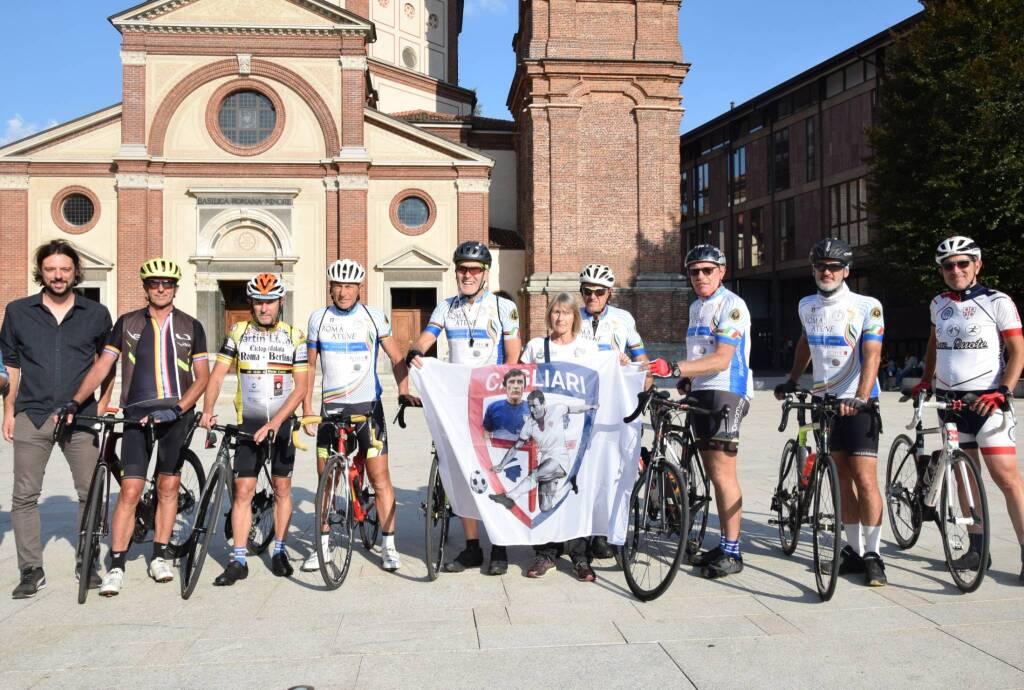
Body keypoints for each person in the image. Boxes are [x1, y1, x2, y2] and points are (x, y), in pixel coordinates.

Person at [58, 258, 209, 596]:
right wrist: (75, 399)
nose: (160, 288)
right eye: (154, 283)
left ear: (175, 288)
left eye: (167, 283)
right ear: (145, 288)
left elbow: (202, 378)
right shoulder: (126, 323)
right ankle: (117, 564)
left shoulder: (191, 325)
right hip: (136, 414)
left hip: (175, 414)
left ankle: (159, 555)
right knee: (130, 490)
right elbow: (103, 366)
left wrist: (180, 409)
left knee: (168, 486)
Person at [0, 240, 113, 599]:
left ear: (75, 272)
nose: (58, 275)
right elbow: (12, 366)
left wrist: (102, 407)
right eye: (51, 269)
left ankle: (88, 560)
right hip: (32, 414)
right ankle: (31, 569)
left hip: (80, 418)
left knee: (90, 492)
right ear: (41, 272)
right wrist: (8, 412)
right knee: (24, 496)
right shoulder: (17, 312)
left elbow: (106, 365)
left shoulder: (96, 314)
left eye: (65, 269)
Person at [775, 238, 887, 587]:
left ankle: (873, 553)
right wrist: (793, 379)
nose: (827, 271)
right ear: (813, 270)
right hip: (825, 402)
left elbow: (872, 354)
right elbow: (806, 341)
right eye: (822, 266)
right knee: (841, 478)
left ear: (846, 271)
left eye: (834, 266)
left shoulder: (867, 305)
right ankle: (852, 549)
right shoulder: (806, 304)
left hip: (858, 402)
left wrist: (862, 396)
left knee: (865, 478)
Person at [913, 236, 1024, 581]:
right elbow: (934, 343)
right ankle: (977, 549)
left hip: (987, 400)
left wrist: (1004, 390)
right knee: (963, 476)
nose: (955, 270)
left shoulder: (997, 301)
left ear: (977, 265)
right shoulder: (938, 303)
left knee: (1006, 477)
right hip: (949, 402)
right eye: (948, 265)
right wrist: (925, 378)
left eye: (963, 263)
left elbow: (1017, 350)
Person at [408, 241, 522, 575]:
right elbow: (426, 339)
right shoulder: (446, 307)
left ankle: (499, 544)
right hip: (457, 403)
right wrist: (414, 351)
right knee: (462, 474)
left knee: (497, 475)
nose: (467, 275)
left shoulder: (503, 308)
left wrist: (506, 390)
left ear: (485, 274)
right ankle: (472, 547)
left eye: (474, 269)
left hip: (492, 403)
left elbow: (513, 354)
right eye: (462, 269)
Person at [301, 259, 412, 573]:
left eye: (349, 286)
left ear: (359, 287)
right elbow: (310, 366)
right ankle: (320, 546)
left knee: (380, 480)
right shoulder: (318, 318)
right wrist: (307, 407)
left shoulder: (374, 317)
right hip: (331, 412)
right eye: (337, 285)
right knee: (327, 481)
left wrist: (404, 390)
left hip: (368, 411)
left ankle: (389, 546)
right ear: (331, 287)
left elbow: (396, 356)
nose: (343, 291)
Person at [199, 273, 308, 585]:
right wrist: (208, 409)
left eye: (270, 301)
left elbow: (300, 388)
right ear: (251, 303)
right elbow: (218, 375)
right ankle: (238, 559)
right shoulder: (238, 333)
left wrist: (275, 423)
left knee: (282, 488)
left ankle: (279, 550)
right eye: (258, 302)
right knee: (243, 490)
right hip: (249, 423)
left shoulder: (294, 336)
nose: (264, 308)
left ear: (280, 302)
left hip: (281, 423)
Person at [508, 292, 602, 581]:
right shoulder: (537, 347)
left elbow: (604, 381)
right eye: (555, 312)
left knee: (575, 494)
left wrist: (626, 365)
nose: (559, 318)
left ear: (575, 317)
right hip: (546, 440)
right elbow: (518, 379)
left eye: (565, 312)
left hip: (578, 438)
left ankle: (579, 557)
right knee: (546, 497)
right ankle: (545, 553)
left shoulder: (588, 348)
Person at [674, 245, 752, 578]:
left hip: (728, 392)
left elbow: (721, 359)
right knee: (711, 471)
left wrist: (678, 368)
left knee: (723, 473)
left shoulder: (732, 306)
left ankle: (733, 551)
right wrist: (689, 378)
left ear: (722, 271)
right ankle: (723, 544)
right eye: (695, 271)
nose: (701, 276)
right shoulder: (696, 307)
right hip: (704, 392)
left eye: (708, 270)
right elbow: (700, 352)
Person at [577, 263, 650, 560]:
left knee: (610, 470)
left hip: (612, 408)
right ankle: (580, 532)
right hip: (581, 406)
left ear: (609, 293)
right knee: (582, 472)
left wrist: (642, 388)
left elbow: (642, 361)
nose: (592, 296)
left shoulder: (623, 320)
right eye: (587, 291)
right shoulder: (571, 316)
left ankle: (603, 532)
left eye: (598, 292)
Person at [483, 368, 529, 444]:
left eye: (520, 382)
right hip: (497, 453)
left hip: (525, 454)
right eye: (511, 382)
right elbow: (486, 431)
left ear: (524, 386)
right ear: (504, 386)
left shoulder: (532, 409)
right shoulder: (492, 407)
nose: (516, 386)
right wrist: (489, 447)